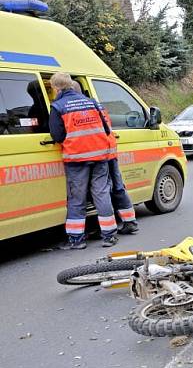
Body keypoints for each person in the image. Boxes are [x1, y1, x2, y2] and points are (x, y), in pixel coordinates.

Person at [48, 72, 118, 249]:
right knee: (101, 193)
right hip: (100, 155)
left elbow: (57, 135)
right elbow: (105, 127)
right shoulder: (91, 101)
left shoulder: (58, 106)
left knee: (76, 198)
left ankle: (76, 240)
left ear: (56, 88)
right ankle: (109, 235)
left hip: (76, 158)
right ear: (71, 84)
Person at [71, 80, 138, 235]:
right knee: (118, 187)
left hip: (99, 152)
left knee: (102, 189)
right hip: (109, 149)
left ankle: (109, 228)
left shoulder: (78, 107)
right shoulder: (96, 104)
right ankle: (130, 221)